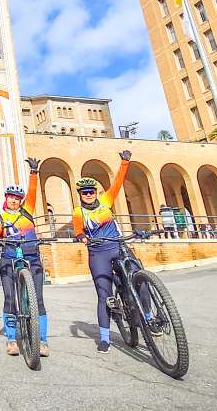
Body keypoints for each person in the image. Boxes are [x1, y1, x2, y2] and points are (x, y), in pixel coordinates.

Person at [74, 150, 157, 354]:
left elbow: (118, 183)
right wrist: (83, 237)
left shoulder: (106, 201)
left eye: (91, 191)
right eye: (84, 192)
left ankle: (149, 317)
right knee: (104, 296)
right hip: (98, 253)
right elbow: (78, 231)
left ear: (95, 192)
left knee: (141, 280)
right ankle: (104, 338)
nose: (88, 194)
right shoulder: (79, 212)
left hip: (118, 246)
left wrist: (125, 162)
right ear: (80, 195)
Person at [0, 157, 49, 357]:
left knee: (39, 300)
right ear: (6, 198)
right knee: (10, 299)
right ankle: (11, 339)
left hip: (32, 258)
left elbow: (33, 193)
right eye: (11, 196)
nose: (14, 200)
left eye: (17, 198)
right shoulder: (0, 219)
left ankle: (42, 340)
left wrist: (34, 173)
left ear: (21, 201)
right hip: (9, 259)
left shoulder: (27, 213)